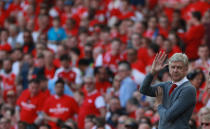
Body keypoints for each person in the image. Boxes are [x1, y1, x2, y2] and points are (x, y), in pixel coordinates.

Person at [140, 52, 196, 129]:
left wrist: (159, 105)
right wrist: (152, 72)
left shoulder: (189, 89)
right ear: (169, 68)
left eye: (179, 67)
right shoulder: (165, 85)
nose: (175, 70)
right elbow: (143, 90)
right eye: (173, 67)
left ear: (186, 69)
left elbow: (168, 117)